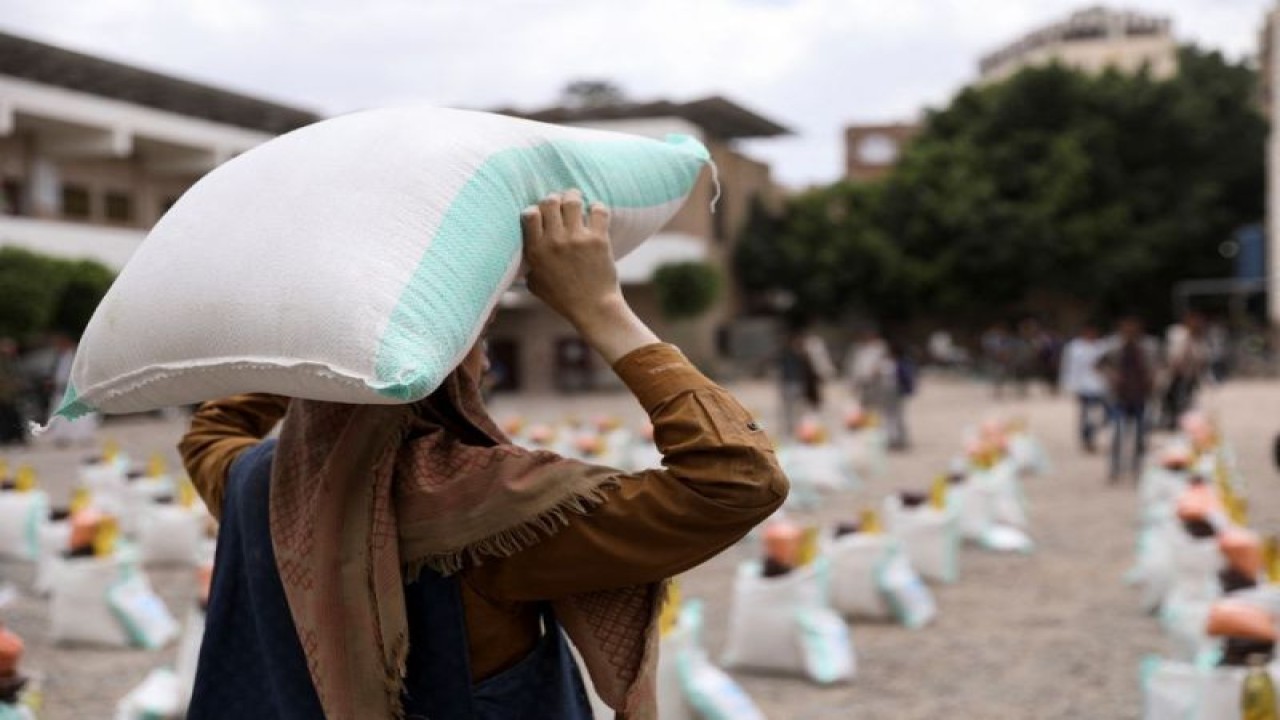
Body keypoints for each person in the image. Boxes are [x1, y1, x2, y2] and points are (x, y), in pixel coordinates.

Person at [178, 190, 789, 720]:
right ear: (438, 358)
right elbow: (736, 479)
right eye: (477, 335)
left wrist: (318, 338)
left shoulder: (257, 481)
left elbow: (210, 432)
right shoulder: (491, 508)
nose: (487, 359)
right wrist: (602, 308)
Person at [1097, 316, 1161, 484]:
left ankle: (1136, 469)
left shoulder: (1148, 348)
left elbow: (1158, 365)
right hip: (1119, 397)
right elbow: (1099, 364)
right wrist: (1111, 376)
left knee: (1140, 436)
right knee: (1117, 434)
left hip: (1141, 396)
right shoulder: (1113, 347)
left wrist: (1153, 379)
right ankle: (1115, 468)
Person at [1058, 324, 1110, 453]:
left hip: (1101, 386)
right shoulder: (1075, 347)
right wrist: (1068, 384)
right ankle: (1087, 438)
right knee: (1087, 414)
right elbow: (1069, 366)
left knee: (1106, 414)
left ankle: (1091, 432)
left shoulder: (1102, 346)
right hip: (1084, 387)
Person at [1160, 311, 1210, 430]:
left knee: (1185, 401)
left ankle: (1181, 421)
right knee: (1170, 400)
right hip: (1174, 375)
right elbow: (1172, 354)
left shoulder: (1199, 339)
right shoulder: (1177, 333)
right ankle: (1171, 420)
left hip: (1189, 376)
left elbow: (1202, 358)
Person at [778, 327, 820, 436]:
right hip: (789, 384)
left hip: (798, 384)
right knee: (789, 410)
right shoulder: (786, 354)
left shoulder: (802, 355)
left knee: (800, 410)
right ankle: (792, 430)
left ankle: (802, 430)